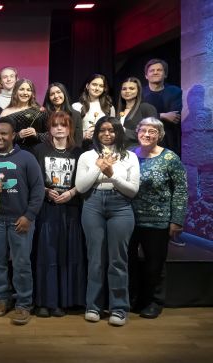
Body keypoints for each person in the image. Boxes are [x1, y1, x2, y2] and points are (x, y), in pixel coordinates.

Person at [0, 117, 44, 326]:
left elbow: (38, 191)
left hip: (20, 220)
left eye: (4, 133)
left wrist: (28, 216)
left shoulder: (27, 158)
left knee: (22, 263)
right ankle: (2, 299)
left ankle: (23, 304)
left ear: (13, 136)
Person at [75, 116, 140, 327]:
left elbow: (132, 190)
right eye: (102, 130)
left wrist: (111, 174)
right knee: (95, 259)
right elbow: (82, 187)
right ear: (96, 133)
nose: (107, 134)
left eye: (111, 130)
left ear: (118, 132)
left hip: (120, 206)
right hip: (93, 203)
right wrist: (98, 167)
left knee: (118, 260)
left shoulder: (130, 156)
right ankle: (93, 306)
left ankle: (119, 308)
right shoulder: (86, 156)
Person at [129, 117, 188, 319]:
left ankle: (154, 302)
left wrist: (177, 220)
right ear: (137, 133)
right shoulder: (129, 156)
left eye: (152, 131)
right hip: (129, 219)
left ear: (160, 135)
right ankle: (135, 299)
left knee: (155, 264)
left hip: (158, 221)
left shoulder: (170, 158)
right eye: (143, 130)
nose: (146, 134)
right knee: (130, 263)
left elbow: (180, 190)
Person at [31, 111, 86, 318]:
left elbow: (84, 181)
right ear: (50, 129)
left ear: (70, 128)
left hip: (71, 210)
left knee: (67, 254)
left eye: (63, 125)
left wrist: (72, 192)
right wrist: (45, 191)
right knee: (47, 254)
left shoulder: (79, 152)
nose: (59, 129)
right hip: (47, 208)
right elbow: (33, 180)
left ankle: (62, 302)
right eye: (55, 125)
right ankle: (44, 302)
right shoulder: (39, 150)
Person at [142, 59, 183, 155]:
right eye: (152, 70)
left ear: (165, 74)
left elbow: (174, 117)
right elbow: (138, 118)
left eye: (159, 70)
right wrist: (162, 115)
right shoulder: (140, 94)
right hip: (144, 139)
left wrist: (148, 116)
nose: (155, 72)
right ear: (146, 76)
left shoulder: (175, 91)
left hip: (168, 140)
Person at [0, 79, 47, 153]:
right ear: (15, 91)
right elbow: (0, 137)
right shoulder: (6, 112)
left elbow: (50, 135)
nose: (25, 93)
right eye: (22, 89)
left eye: (28, 90)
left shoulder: (40, 111)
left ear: (32, 93)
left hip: (37, 153)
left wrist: (36, 134)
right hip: (13, 153)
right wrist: (18, 136)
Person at [72, 74, 115, 147]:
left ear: (104, 89)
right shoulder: (76, 106)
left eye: (101, 86)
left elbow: (113, 130)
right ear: (87, 86)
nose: (97, 88)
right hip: (82, 146)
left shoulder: (109, 108)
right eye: (94, 84)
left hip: (103, 147)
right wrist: (84, 135)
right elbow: (71, 130)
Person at [116, 77, 157, 148]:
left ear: (138, 91)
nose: (127, 91)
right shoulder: (120, 111)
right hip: (121, 152)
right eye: (124, 89)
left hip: (140, 152)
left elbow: (152, 134)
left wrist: (124, 130)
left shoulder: (146, 108)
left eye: (131, 88)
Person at [43, 82, 83, 147]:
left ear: (64, 93)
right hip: (47, 150)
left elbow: (78, 139)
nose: (56, 96)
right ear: (48, 98)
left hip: (69, 153)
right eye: (52, 94)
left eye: (59, 92)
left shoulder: (75, 115)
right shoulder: (44, 114)